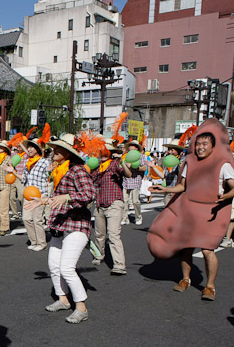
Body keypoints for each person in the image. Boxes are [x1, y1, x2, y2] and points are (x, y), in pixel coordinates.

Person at [149, 122, 234, 301]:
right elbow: (182, 186)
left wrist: (225, 196)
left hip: (213, 212)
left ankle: (210, 286)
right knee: (186, 249)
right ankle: (185, 279)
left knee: (208, 251)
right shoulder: (189, 161)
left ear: (213, 146)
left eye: (204, 144)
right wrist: (164, 189)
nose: (200, 147)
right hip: (190, 210)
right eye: (198, 144)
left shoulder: (223, 164)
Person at [27, 134, 96, 323]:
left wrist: (66, 198)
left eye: (58, 149)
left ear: (68, 153)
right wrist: (42, 201)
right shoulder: (59, 170)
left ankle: (81, 308)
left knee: (66, 268)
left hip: (77, 224)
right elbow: (58, 199)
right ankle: (63, 300)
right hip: (60, 224)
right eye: (53, 148)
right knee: (54, 266)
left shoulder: (77, 170)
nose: (53, 151)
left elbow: (89, 194)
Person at [89, 139, 131, 275]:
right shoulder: (97, 166)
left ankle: (119, 265)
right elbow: (90, 179)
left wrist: (122, 162)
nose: (102, 154)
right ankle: (99, 255)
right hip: (100, 203)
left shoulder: (115, 164)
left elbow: (128, 174)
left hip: (114, 202)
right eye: (101, 151)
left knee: (113, 234)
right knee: (99, 234)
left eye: (105, 151)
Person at [12, 138, 50, 251]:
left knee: (37, 219)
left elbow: (50, 175)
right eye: (28, 147)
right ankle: (34, 241)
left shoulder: (44, 161)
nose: (29, 149)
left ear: (37, 149)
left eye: (32, 147)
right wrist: (13, 172)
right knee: (26, 218)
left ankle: (41, 243)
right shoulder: (27, 162)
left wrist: (51, 171)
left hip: (40, 195)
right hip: (28, 194)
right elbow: (24, 178)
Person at [121, 140, 146, 225]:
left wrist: (134, 167)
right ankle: (125, 218)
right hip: (126, 180)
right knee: (124, 200)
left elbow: (144, 168)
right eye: (130, 145)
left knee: (135, 201)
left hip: (136, 179)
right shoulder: (125, 156)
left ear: (136, 148)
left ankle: (138, 217)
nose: (131, 147)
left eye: (133, 145)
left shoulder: (141, 156)